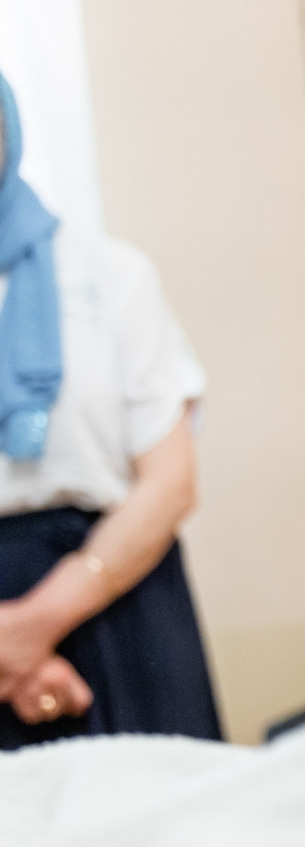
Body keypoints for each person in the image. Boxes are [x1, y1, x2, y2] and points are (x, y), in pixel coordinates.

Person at [0, 69, 216, 750]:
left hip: (121, 597)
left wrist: (33, 625)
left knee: (169, 838)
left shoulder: (110, 274)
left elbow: (170, 482)